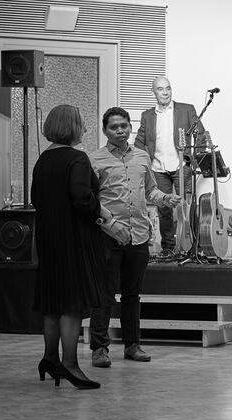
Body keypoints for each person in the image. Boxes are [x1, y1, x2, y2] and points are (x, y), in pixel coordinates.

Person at [88, 107, 181, 367]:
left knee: (132, 295)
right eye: (114, 127)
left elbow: (151, 190)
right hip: (108, 235)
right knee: (104, 295)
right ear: (105, 130)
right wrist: (108, 223)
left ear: (130, 127)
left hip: (138, 234)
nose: (120, 131)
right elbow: (90, 199)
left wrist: (165, 198)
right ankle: (99, 348)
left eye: (124, 126)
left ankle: (132, 345)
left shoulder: (142, 156)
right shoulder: (95, 160)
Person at [31, 104, 110, 389]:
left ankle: (50, 358)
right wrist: (102, 212)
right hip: (72, 239)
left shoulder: (43, 159)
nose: (85, 128)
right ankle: (70, 364)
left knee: (53, 302)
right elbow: (80, 197)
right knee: (72, 304)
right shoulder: (77, 158)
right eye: (81, 123)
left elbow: (36, 199)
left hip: (48, 238)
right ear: (71, 127)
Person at [133, 76, 203, 257]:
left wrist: (192, 160)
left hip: (182, 166)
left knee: (188, 207)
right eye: (160, 89)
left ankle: (194, 246)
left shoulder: (186, 110)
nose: (165, 92)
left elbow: (201, 135)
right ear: (153, 92)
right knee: (164, 209)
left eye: (168, 88)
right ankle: (169, 247)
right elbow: (140, 142)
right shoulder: (147, 116)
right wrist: (141, 163)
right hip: (158, 168)